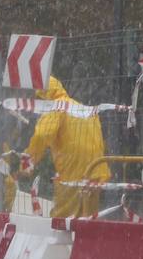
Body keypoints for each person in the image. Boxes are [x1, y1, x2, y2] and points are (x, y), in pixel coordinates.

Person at [20, 76, 110, 218]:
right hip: (95, 172)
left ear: (43, 97)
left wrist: (26, 163)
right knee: (88, 222)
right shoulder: (80, 108)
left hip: (73, 174)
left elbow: (42, 135)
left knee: (62, 222)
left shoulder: (56, 107)